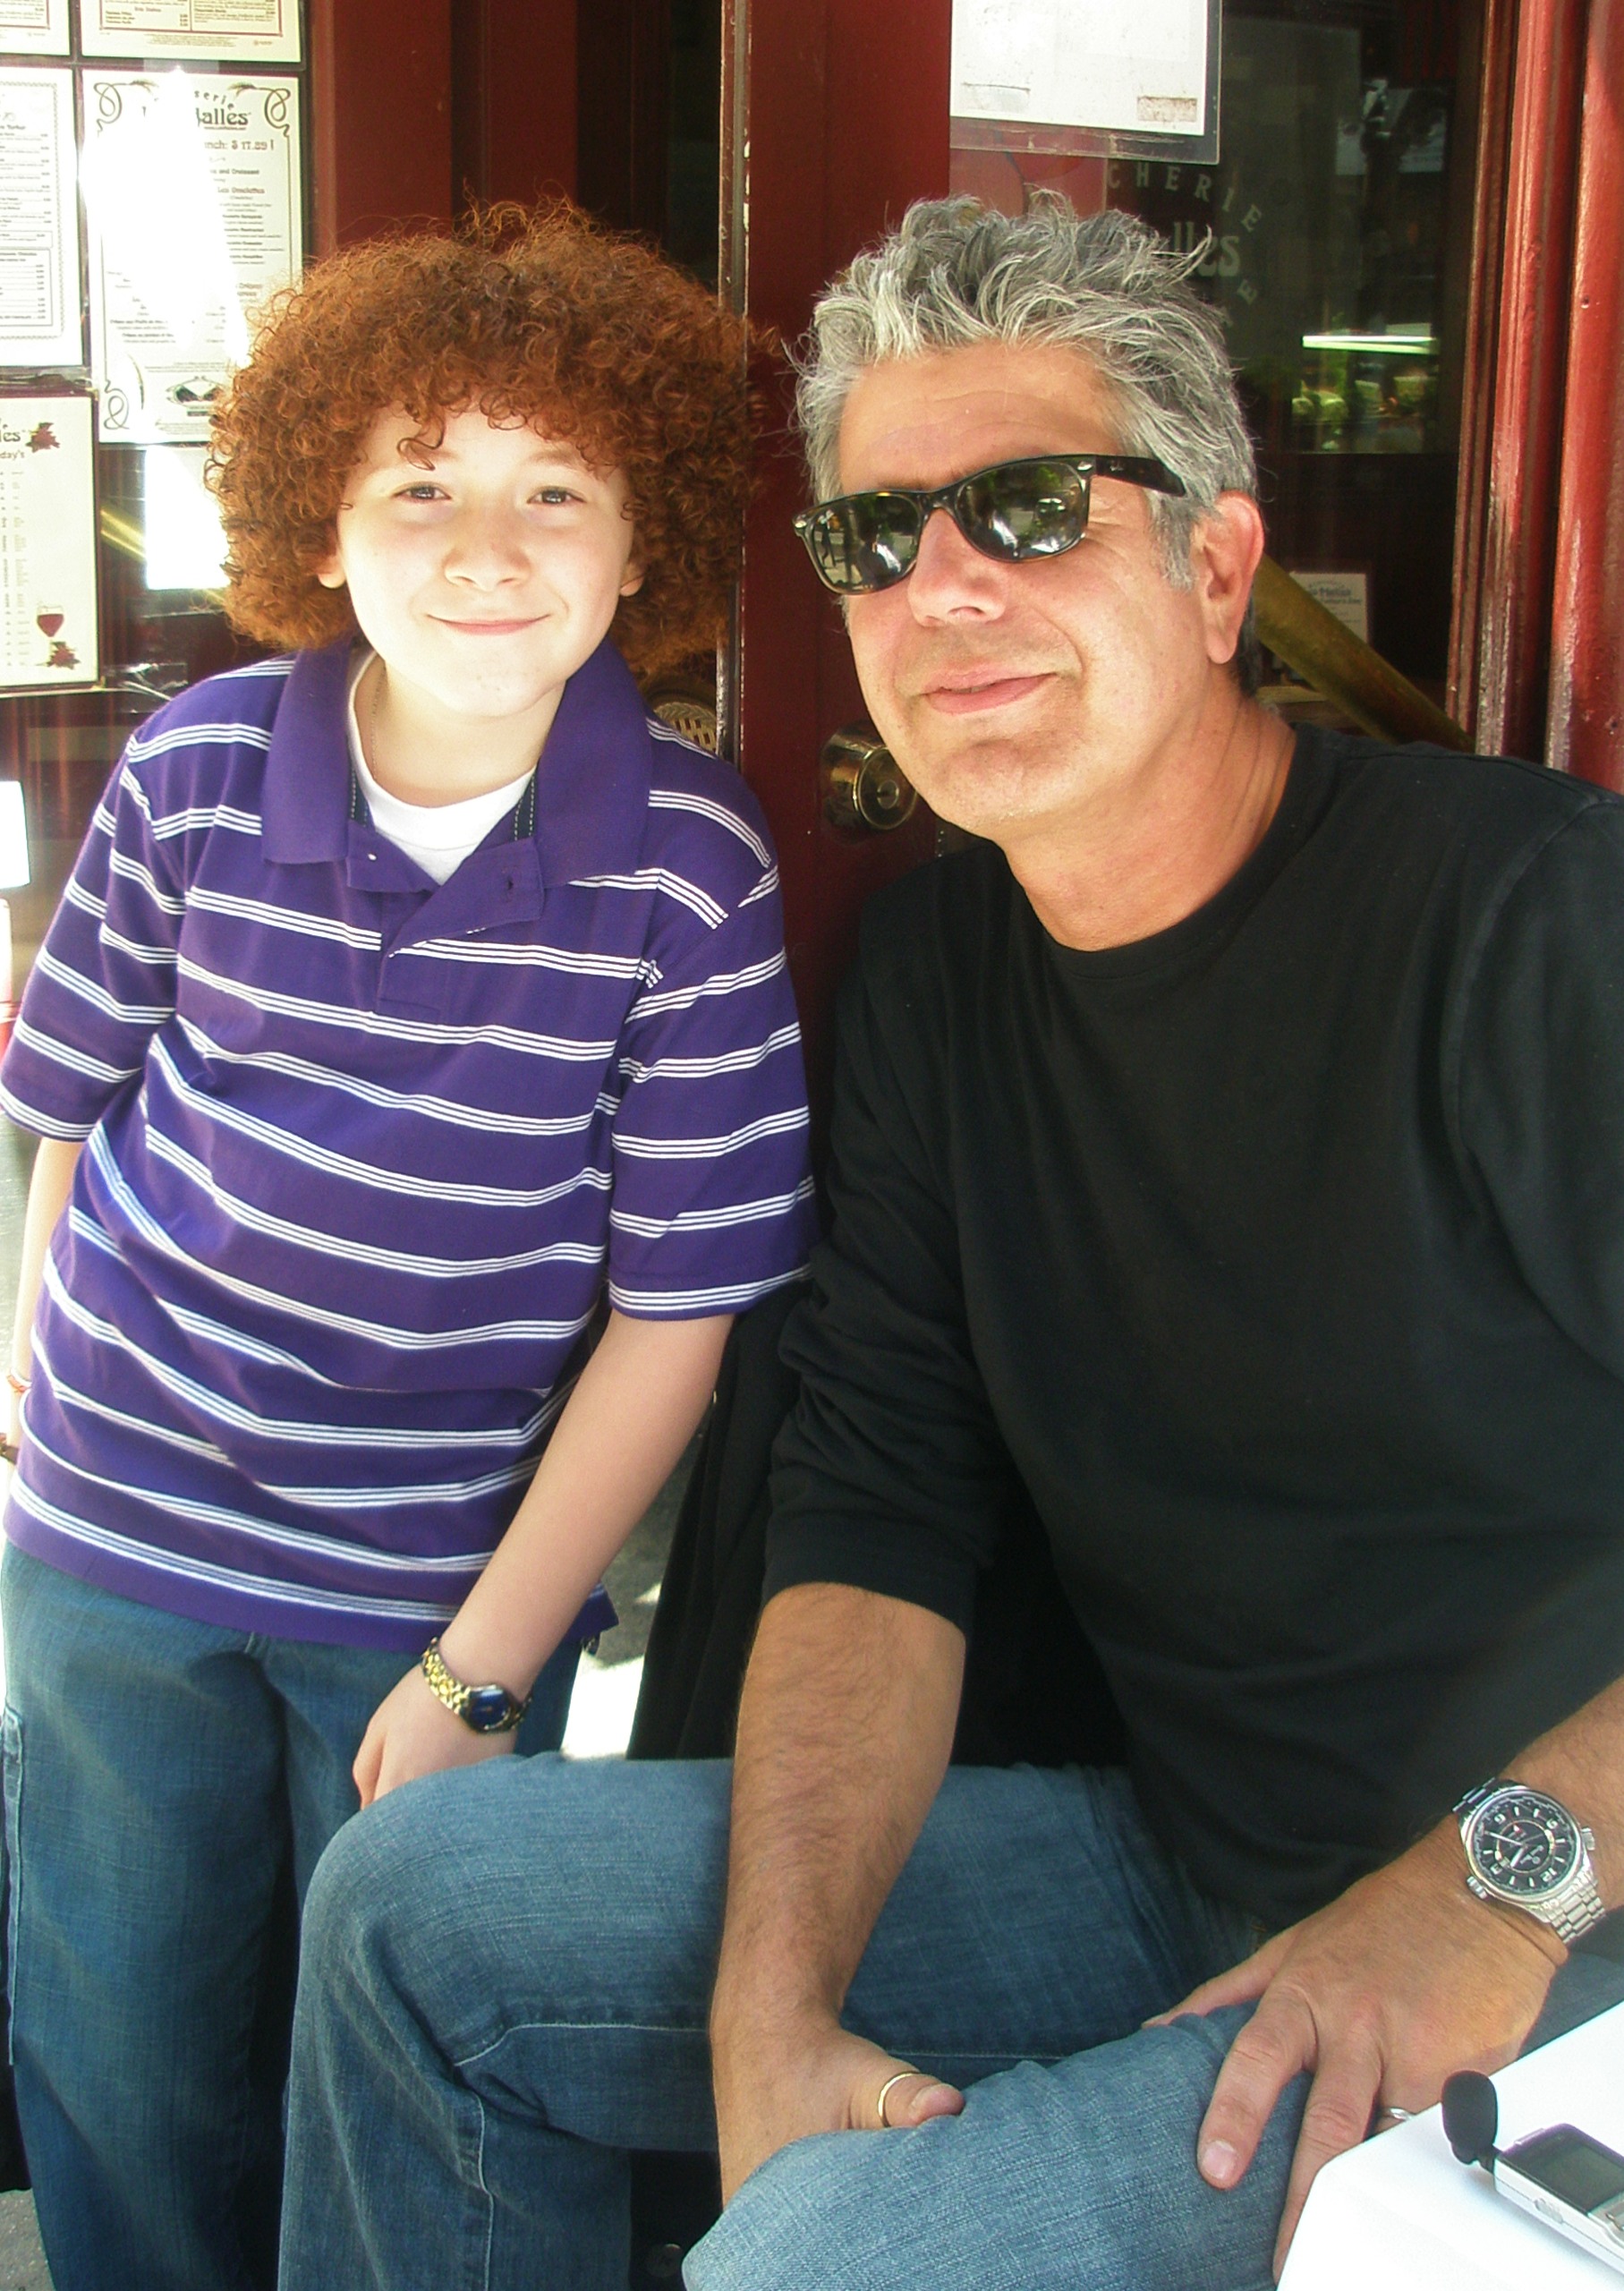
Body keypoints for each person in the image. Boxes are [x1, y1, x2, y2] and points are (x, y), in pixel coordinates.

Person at [276, 195, 1624, 2291]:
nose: (945, 587)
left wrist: (1492, 1884)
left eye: (1025, 506)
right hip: (1174, 1858)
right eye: (873, 536)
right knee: (410, 1903)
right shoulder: (926, 982)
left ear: (1214, 566)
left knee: (821, 2256)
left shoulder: (1533, 923)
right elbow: (875, 1506)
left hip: (1564, 1954)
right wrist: (769, 2001)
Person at [0, 203, 815, 2291]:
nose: (485, 544)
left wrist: (484, 1660)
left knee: (384, 2058)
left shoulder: (690, 865)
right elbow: (67, 1110)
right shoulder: (190, 774)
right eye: (418, 485)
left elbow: (679, 1309)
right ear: (314, 530)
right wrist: (33, 1396)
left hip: (423, 1580)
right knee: (119, 2031)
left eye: (557, 488)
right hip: (112, 1540)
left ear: (643, 546)